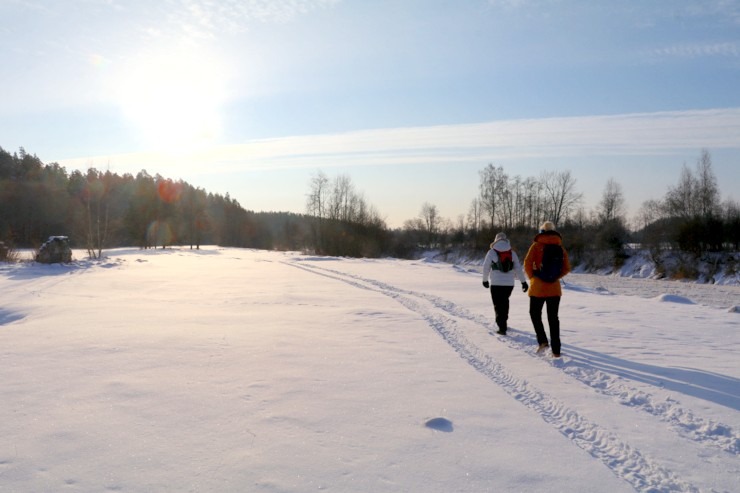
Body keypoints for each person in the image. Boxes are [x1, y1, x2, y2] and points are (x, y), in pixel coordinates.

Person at [523, 221, 571, 357]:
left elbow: (527, 262)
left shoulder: (536, 245)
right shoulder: (560, 247)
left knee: (534, 314)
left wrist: (534, 277)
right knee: (553, 319)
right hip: (554, 289)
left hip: (538, 288)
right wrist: (556, 276)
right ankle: (556, 351)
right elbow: (567, 267)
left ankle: (543, 341)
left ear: (542, 231)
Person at [482, 232, 528, 335]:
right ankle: (504, 322)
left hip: (496, 283)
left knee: (498, 304)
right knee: (504, 302)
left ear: (495, 240)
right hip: (509, 284)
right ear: (506, 240)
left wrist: (485, 280)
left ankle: (502, 326)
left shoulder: (491, 252)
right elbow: (518, 269)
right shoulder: (512, 253)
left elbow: (486, 267)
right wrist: (523, 282)